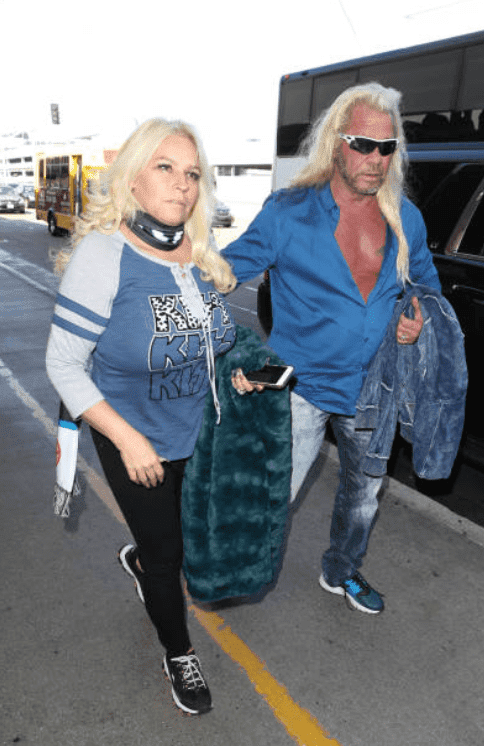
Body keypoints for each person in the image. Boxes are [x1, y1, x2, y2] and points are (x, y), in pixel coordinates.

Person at [46, 118, 258, 715]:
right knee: (168, 558)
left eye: (192, 173)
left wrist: (235, 369)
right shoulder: (104, 255)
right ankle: (177, 648)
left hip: (202, 437)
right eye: (165, 167)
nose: (182, 185)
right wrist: (126, 439)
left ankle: (141, 558)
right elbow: (63, 364)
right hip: (134, 438)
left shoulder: (196, 255)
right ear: (134, 178)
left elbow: (214, 339)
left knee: (183, 546)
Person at [222, 83, 441, 615]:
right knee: (275, 493)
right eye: (363, 144)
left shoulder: (404, 218)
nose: (376, 159)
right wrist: (159, 267)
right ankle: (220, 564)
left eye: (386, 148)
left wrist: (416, 316)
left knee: (363, 496)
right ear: (335, 143)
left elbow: (426, 289)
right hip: (298, 385)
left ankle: (341, 570)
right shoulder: (289, 212)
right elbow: (224, 274)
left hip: (373, 388)